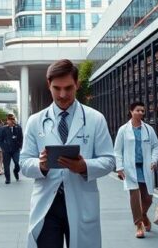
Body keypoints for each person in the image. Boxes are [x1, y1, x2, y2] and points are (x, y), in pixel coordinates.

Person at [21, 59, 115, 248]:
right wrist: (41, 165)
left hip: (81, 200)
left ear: (77, 84)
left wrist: (84, 166)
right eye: (57, 88)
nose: (63, 95)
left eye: (69, 88)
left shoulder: (95, 119)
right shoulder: (35, 121)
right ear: (49, 85)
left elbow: (109, 160)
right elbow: (24, 162)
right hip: (48, 205)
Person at [113, 101, 158, 238]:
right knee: (134, 196)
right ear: (131, 111)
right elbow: (117, 150)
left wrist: (153, 160)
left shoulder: (148, 129)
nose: (141, 113)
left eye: (142, 111)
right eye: (138, 110)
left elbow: (156, 146)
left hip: (145, 168)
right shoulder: (123, 130)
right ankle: (139, 224)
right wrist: (120, 167)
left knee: (148, 198)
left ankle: (144, 215)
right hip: (130, 168)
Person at [0, 113, 23, 184]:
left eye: (11, 119)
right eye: (8, 120)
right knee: (6, 165)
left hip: (16, 149)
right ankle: (7, 179)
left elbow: (21, 138)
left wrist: (20, 146)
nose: (10, 121)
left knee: (17, 163)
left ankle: (15, 171)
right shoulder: (3, 129)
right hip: (6, 150)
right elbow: (0, 139)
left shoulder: (18, 128)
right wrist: (2, 147)